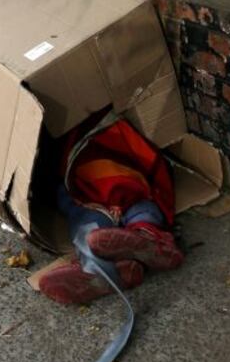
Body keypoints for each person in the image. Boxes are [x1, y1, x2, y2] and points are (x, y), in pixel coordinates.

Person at [38, 111, 184, 304]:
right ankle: (115, 266)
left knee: (128, 199)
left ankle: (135, 245)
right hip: (78, 184)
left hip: (105, 154)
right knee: (91, 226)